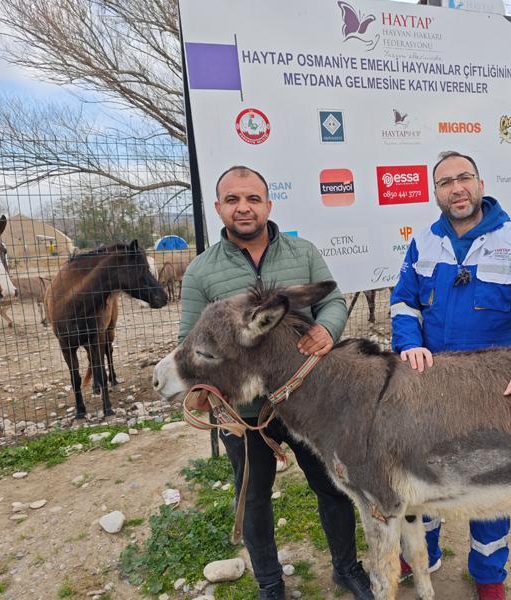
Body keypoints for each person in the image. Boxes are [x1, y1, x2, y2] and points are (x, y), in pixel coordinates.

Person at [179, 165, 374, 600]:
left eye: (252, 199)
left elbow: (334, 300)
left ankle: (347, 568)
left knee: (332, 486)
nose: (243, 208)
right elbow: (188, 344)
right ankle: (270, 585)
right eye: (232, 200)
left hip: (308, 402)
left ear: (268, 204)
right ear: (218, 208)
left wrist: (328, 329)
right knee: (254, 498)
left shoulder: (302, 252)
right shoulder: (200, 272)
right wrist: (212, 403)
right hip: (244, 414)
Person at [390, 151, 511, 600]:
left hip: (491, 392)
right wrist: (409, 343)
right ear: (435, 192)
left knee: (489, 485)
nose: (457, 188)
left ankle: (489, 577)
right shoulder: (423, 243)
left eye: (464, 178)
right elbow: (403, 302)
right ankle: (421, 555)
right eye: (446, 182)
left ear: (480, 182)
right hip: (429, 388)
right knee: (424, 475)